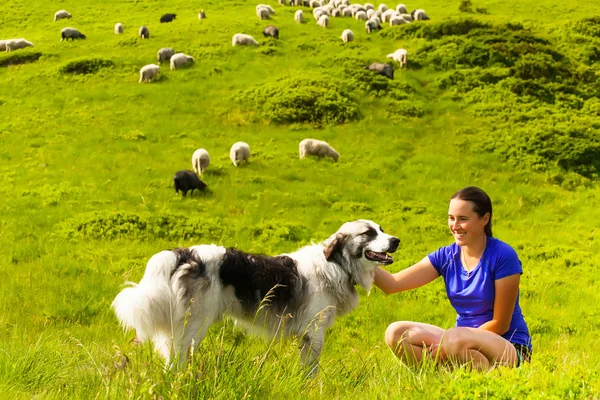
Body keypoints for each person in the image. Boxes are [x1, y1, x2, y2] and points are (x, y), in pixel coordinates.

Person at [374, 186, 532, 370]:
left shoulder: (503, 256)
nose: (455, 226)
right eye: (451, 218)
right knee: (397, 332)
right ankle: (442, 379)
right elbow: (393, 284)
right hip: (456, 342)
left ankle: (488, 382)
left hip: (508, 346)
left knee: (454, 339)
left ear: (485, 219)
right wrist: (352, 260)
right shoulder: (446, 256)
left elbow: (501, 323)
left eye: (463, 219)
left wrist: (446, 345)